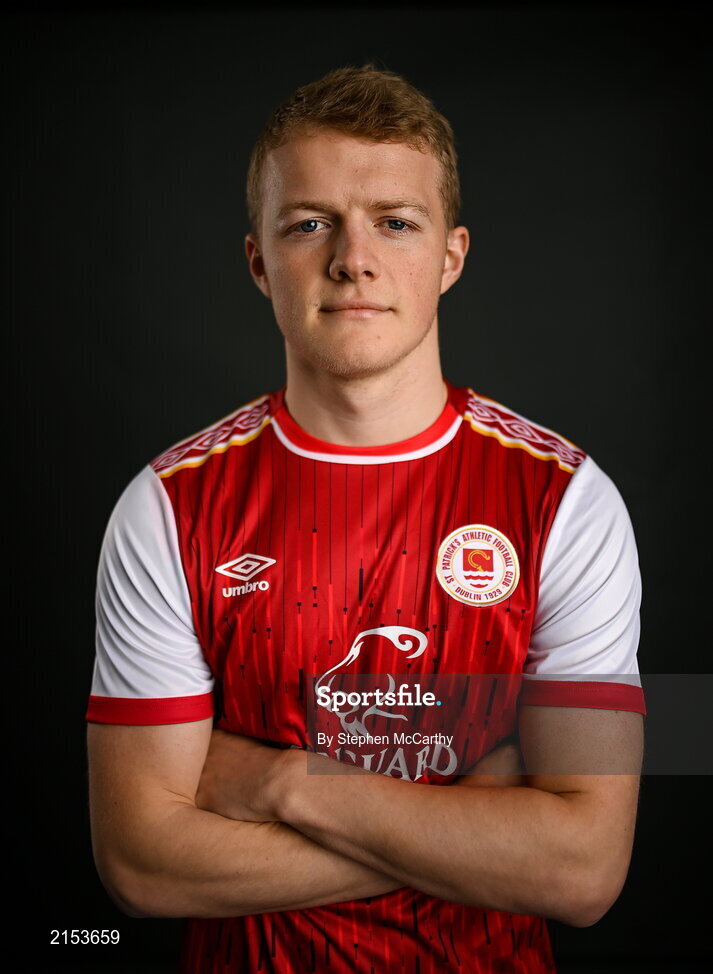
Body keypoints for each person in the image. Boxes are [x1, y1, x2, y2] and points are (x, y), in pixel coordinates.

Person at [86, 65, 646, 973]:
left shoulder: (567, 500)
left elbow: (582, 872)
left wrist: (283, 783)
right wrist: (472, 824)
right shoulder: (166, 507)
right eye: (309, 224)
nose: (353, 258)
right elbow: (142, 868)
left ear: (451, 257)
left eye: (395, 222)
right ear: (258, 261)